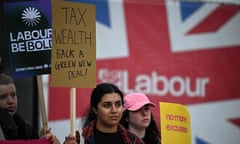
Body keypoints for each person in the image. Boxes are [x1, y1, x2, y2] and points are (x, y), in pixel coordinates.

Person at [64, 83, 144, 144]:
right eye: (107, 105)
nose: (114, 110)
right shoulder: (79, 139)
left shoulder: (133, 140)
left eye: (118, 105)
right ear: (95, 109)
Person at [0, 73, 60, 144]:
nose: (11, 101)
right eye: (3, 97)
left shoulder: (27, 129)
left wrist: (41, 141)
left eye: (13, 95)